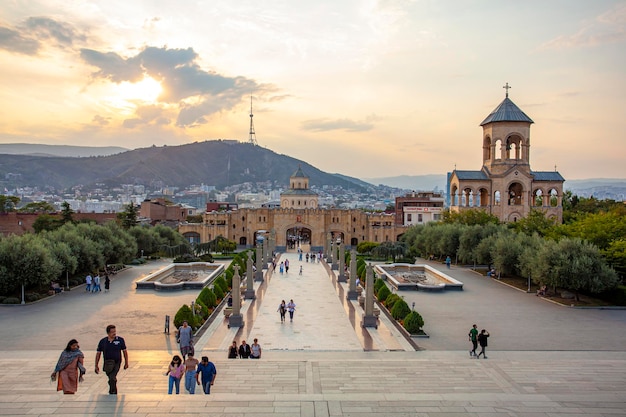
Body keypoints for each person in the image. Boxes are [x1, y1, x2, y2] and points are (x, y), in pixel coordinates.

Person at [95, 324, 128, 395]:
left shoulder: (120, 340)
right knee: (111, 378)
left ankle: (113, 392)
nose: (114, 333)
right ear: (108, 333)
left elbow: (124, 351)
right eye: (112, 332)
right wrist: (96, 365)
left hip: (117, 362)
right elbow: (98, 354)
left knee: (112, 377)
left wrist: (126, 362)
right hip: (107, 363)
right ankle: (112, 389)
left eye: (115, 331)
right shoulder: (103, 342)